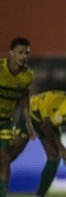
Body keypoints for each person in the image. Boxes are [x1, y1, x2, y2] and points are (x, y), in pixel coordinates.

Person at [0, 37, 35, 197]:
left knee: (5, 157)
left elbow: (24, 99)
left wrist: (28, 121)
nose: (24, 56)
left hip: (6, 121)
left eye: (26, 53)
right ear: (11, 53)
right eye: (20, 52)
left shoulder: (28, 76)